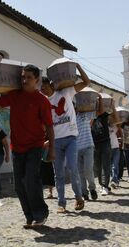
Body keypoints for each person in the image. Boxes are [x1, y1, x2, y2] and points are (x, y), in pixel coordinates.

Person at [0, 64, 54, 229]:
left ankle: (41, 214)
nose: (25, 80)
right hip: (17, 147)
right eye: (23, 77)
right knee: (19, 185)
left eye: (29, 78)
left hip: (35, 146)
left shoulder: (42, 100)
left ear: (37, 80)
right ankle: (30, 216)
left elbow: (49, 126)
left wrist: (52, 148)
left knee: (31, 180)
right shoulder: (14, 95)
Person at [39, 65, 90, 213]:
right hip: (56, 141)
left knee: (73, 168)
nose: (44, 90)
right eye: (41, 89)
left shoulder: (66, 92)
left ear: (51, 84)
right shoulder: (43, 102)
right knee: (58, 173)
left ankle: (78, 196)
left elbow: (86, 82)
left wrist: (78, 67)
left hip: (71, 138)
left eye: (45, 87)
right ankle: (61, 203)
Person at [75, 97, 98, 201]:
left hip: (88, 146)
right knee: (80, 172)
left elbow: (98, 111)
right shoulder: (68, 119)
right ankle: (84, 192)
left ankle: (92, 188)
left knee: (88, 170)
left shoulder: (84, 115)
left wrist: (98, 100)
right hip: (75, 149)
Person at [92, 96, 113, 195]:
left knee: (105, 165)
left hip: (105, 142)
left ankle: (105, 186)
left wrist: (100, 100)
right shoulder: (89, 115)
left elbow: (100, 111)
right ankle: (101, 184)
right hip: (94, 143)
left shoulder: (104, 114)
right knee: (97, 166)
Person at [108, 111, 122, 190]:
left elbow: (119, 123)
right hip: (108, 149)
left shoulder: (114, 126)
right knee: (110, 166)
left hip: (116, 148)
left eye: (111, 118)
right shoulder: (104, 127)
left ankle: (114, 180)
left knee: (115, 165)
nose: (110, 119)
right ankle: (114, 180)